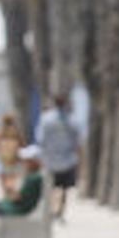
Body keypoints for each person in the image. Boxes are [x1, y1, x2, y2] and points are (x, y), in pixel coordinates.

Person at [35, 93, 83, 222]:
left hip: (49, 160)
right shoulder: (72, 120)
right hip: (67, 160)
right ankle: (60, 212)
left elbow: (40, 139)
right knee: (64, 188)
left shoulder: (46, 119)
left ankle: (52, 210)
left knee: (51, 187)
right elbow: (77, 142)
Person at [0, 113, 26, 198]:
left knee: (3, 185)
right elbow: (23, 147)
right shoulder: (16, 134)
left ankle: (6, 199)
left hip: (2, 162)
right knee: (12, 183)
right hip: (14, 161)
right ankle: (11, 198)